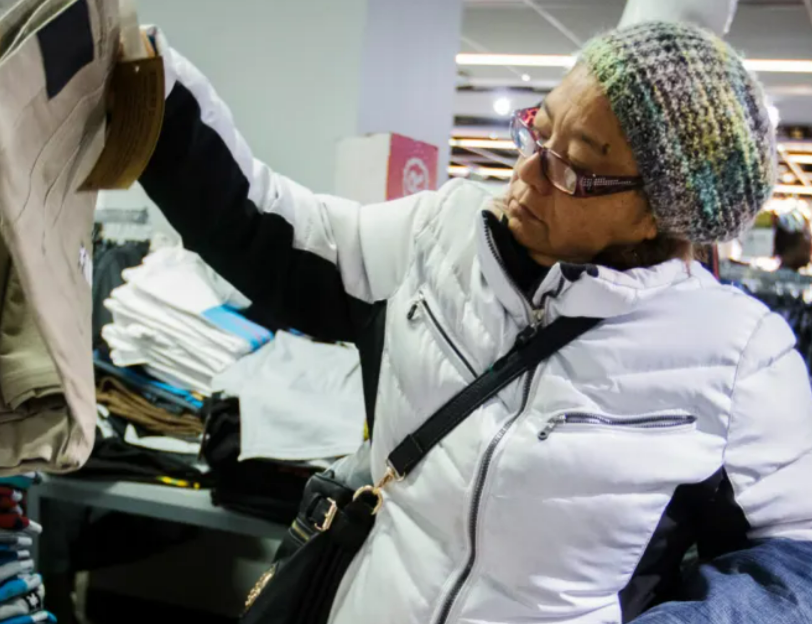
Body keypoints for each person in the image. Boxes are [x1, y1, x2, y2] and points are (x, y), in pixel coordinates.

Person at [134, 20, 812, 624]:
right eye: (537, 131)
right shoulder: (441, 237)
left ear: (662, 215)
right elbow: (274, 231)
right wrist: (152, 90)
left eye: (574, 168)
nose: (526, 176)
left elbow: (791, 563)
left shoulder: (739, 356)